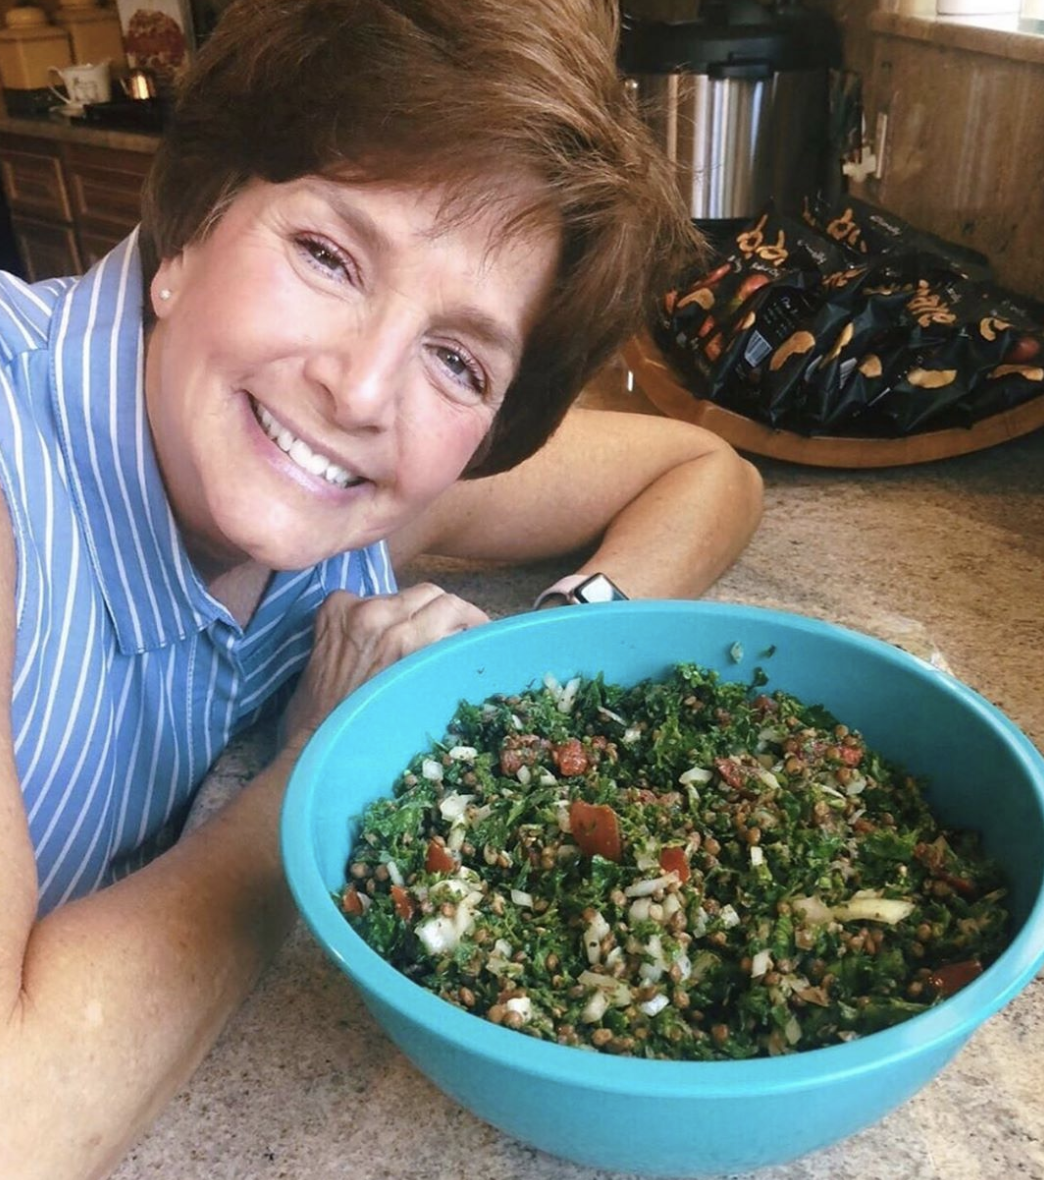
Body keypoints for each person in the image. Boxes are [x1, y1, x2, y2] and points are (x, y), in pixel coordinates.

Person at [0, 0, 762, 1175]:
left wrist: (531, 652)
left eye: (457, 358)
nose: (361, 392)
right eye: (328, 255)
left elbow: (708, 470)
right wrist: (314, 775)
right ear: (190, 231)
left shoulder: (369, 493)